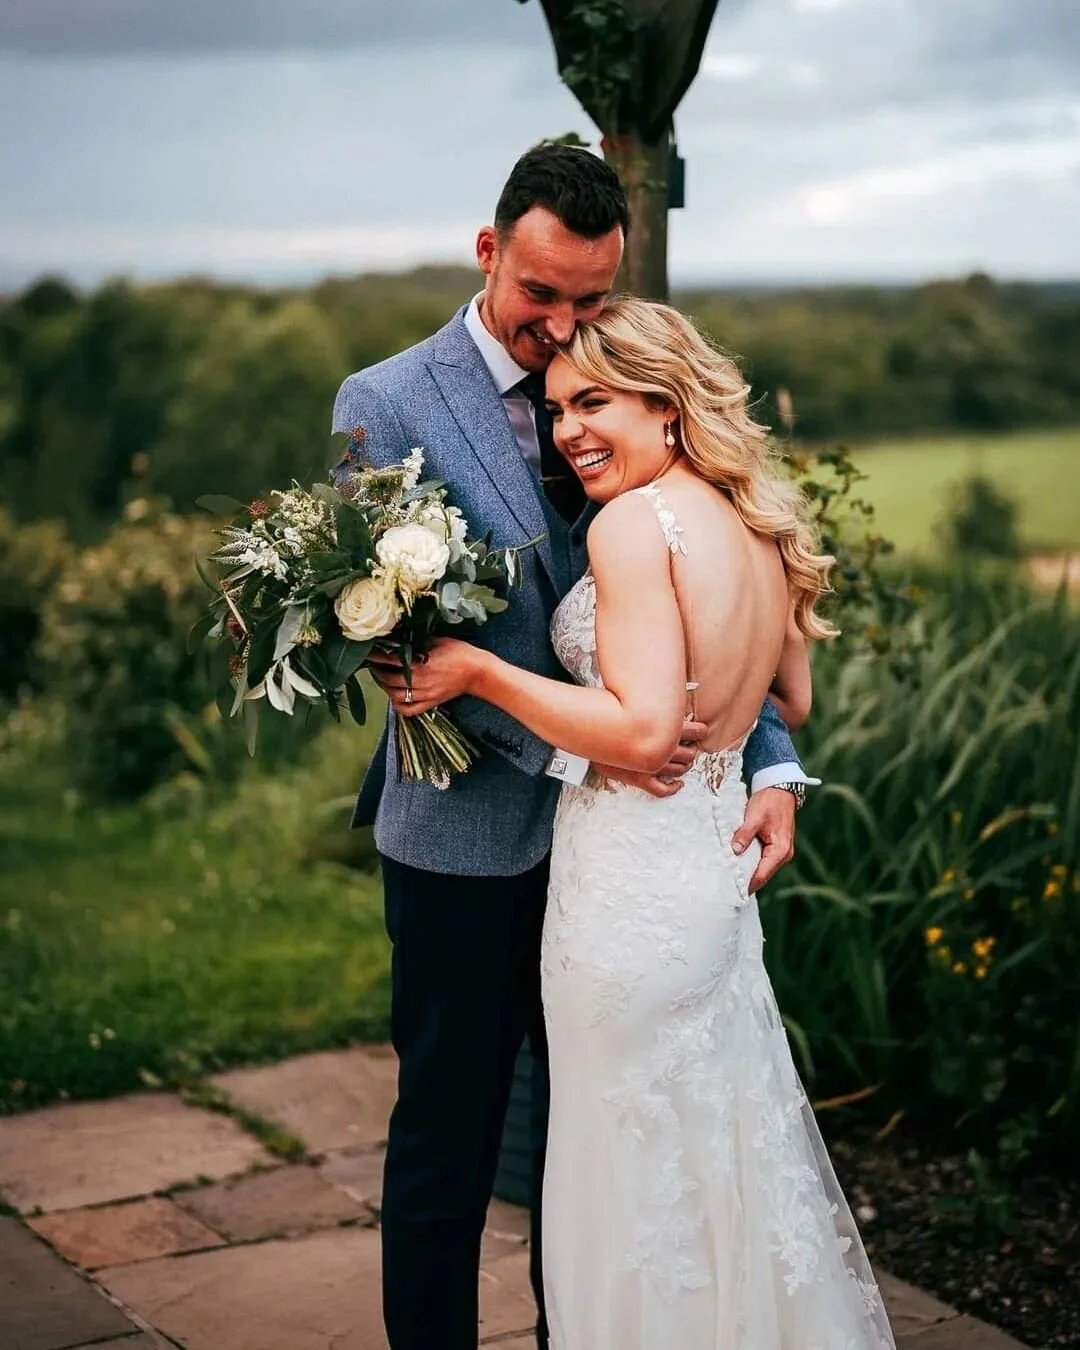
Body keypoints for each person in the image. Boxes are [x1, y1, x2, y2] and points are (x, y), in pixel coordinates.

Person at [331, 144, 815, 1350]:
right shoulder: (385, 403)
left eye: (590, 302)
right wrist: (579, 757)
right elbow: (408, 647)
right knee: (448, 1136)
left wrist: (764, 760)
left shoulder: (635, 382)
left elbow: (707, 598)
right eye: (542, 297)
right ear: (490, 251)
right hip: (472, 834)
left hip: (636, 849)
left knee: (597, 1136)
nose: (562, 329)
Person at [382, 296, 896, 1350]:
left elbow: (645, 725)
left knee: (615, 1178)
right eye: (562, 406)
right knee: (712, 1159)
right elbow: (783, 699)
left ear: (668, 404)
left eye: (595, 402)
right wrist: (752, 759)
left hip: (623, 895)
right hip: (703, 885)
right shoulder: (759, 520)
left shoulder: (632, 524)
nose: (569, 429)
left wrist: (478, 667)